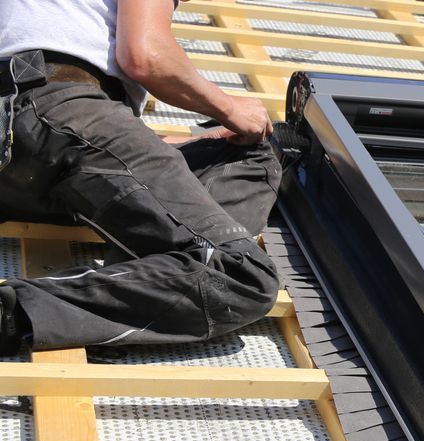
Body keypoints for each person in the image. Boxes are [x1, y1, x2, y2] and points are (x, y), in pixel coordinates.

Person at [0, 0, 281, 353]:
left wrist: (195, 141)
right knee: (239, 275)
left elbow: (89, 142)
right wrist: (230, 108)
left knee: (218, 150)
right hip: (56, 113)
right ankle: (145, 293)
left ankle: (149, 284)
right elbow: (146, 56)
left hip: (28, 147)